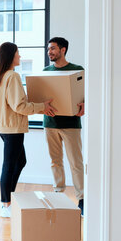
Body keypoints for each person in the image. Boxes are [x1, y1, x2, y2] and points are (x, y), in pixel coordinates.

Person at [0, 42, 56, 218]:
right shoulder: (12, 76)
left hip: (3, 126)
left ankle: (9, 198)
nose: (19, 56)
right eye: (18, 53)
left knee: (20, 161)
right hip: (12, 128)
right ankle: (6, 204)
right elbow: (20, 106)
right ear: (11, 56)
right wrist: (42, 106)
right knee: (10, 165)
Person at [44, 37, 85, 215]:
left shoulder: (77, 70)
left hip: (71, 123)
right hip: (51, 123)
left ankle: (82, 198)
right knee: (55, 161)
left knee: (76, 162)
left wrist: (85, 104)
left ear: (63, 49)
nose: (50, 52)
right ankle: (58, 193)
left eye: (53, 49)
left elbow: (85, 93)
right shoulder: (46, 71)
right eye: (48, 49)